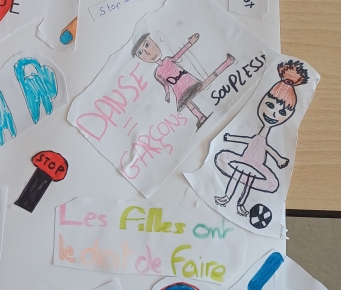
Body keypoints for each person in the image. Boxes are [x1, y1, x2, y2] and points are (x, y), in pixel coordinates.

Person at [214, 61, 309, 216]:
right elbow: (246, 140)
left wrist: (279, 160)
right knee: (236, 178)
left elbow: (269, 150)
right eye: (270, 105)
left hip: (256, 166)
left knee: (246, 182)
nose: (273, 114)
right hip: (244, 161)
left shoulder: (264, 141)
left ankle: (240, 205)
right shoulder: (257, 138)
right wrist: (231, 138)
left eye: (282, 112)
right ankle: (226, 197)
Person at [132, 32, 235, 130]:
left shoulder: (168, 59)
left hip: (188, 81)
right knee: (187, 102)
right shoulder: (157, 73)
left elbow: (179, 54)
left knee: (205, 83)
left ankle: (227, 63)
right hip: (179, 90)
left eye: (147, 45)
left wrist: (190, 43)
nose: (148, 53)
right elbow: (165, 85)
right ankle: (200, 116)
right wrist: (167, 94)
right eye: (140, 53)